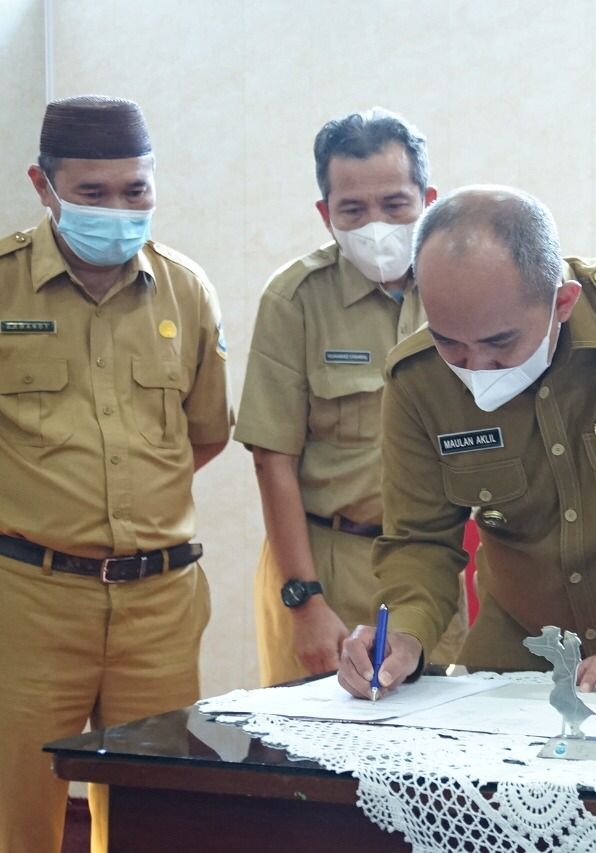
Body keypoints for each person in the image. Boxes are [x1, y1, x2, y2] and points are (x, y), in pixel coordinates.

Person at [336, 185, 596, 700]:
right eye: (448, 342)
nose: (475, 366)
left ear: (562, 302)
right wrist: (403, 630)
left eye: (499, 342)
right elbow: (420, 539)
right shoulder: (417, 379)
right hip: (521, 657)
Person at [0, 96, 233, 853]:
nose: (117, 210)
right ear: (43, 185)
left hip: (159, 606)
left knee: (154, 816)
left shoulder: (185, 289)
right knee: (18, 817)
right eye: (92, 192)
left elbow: (204, 435)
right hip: (29, 602)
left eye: (135, 190)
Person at [236, 109, 465, 686]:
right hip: (328, 566)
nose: (376, 225)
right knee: (318, 737)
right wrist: (305, 600)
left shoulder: (464, 288)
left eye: (395, 205)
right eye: (354, 210)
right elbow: (272, 460)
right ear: (326, 214)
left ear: (428, 201)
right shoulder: (295, 299)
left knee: (439, 731)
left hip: (435, 566)